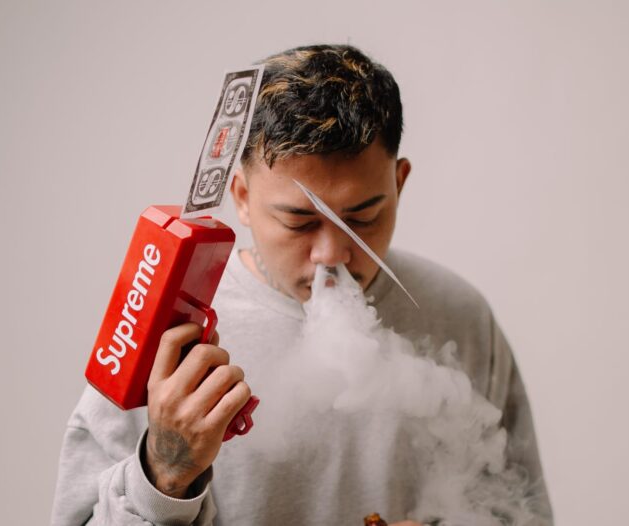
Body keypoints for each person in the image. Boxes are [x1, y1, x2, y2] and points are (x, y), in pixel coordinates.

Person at [52, 44, 553, 525]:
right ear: (242, 197)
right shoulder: (159, 331)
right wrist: (163, 474)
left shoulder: (460, 315)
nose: (331, 255)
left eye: (362, 218)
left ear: (399, 184)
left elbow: (520, 510)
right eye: (298, 221)